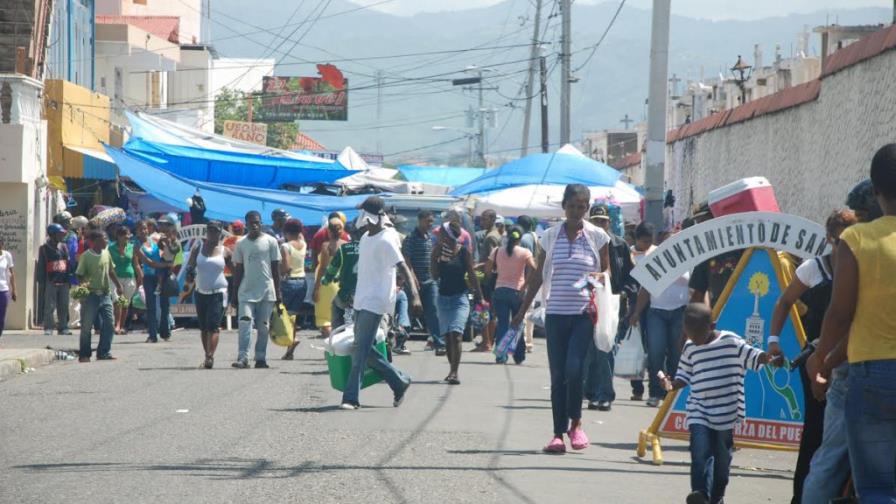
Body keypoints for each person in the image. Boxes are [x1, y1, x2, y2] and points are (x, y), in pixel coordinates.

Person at [812, 144, 896, 503]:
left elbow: (842, 312)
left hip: (872, 373)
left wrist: (821, 360)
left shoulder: (857, 240)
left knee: (876, 488)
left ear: (876, 190)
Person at [512, 184, 611, 453]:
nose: (577, 211)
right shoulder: (550, 236)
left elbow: (605, 272)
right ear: (564, 206)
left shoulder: (597, 236)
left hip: (583, 315)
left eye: (582, 207)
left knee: (574, 370)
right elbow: (538, 275)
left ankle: (576, 425)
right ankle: (557, 434)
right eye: (572, 206)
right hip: (555, 314)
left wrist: (591, 285)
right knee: (558, 376)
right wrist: (522, 311)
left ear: (587, 208)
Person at [765, 209, 856, 504]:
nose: (844, 246)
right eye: (839, 240)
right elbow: (784, 301)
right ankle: (801, 497)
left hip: (852, 359)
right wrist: (774, 340)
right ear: (830, 239)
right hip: (816, 359)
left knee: (849, 438)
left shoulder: (861, 267)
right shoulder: (814, 269)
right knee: (815, 433)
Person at [661, 303, 779, 504]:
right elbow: (684, 375)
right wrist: (671, 384)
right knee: (700, 453)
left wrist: (767, 357)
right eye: (690, 335)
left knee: (721, 464)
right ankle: (699, 493)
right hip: (699, 410)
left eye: (698, 335)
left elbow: (752, 355)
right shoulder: (690, 347)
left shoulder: (731, 342)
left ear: (712, 325)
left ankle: (716, 498)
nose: (695, 341)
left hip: (726, 413)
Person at [341, 196, 420, 410]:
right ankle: (399, 380)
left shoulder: (387, 239)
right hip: (361, 298)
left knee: (359, 351)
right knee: (363, 348)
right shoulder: (367, 237)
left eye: (363, 214)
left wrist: (414, 295)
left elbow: (402, 267)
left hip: (376, 300)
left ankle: (351, 397)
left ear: (371, 216)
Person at [629, 223, 690, 408]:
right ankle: (655, 392)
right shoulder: (655, 260)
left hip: (679, 312)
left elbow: (696, 289)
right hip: (657, 313)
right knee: (655, 354)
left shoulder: (688, 261)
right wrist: (636, 313)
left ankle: (671, 394)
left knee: (675, 355)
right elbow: (645, 289)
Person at [584, 204, 635, 411]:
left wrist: (623, 295)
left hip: (611, 305)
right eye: (595, 221)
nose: (599, 224)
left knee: (606, 350)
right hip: (587, 304)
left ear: (609, 222)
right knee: (590, 352)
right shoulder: (584, 243)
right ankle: (592, 392)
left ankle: (606, 394)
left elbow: (630, 277)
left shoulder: (620, 245)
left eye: (602, 221)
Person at [433, 221, 483, 384]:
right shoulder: (438, 251)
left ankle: (454, 372)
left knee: (456, 335)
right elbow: (434, 276)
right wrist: (435, 257)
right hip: (443, 299)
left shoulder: (463, 252)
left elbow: (472, 274)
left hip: (460, 298)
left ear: (448, 235)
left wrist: (479, 296)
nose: (438, 235)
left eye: (441, 233)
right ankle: (451, 369)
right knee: (448, 337)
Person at [231, 210, 282, 369]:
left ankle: (260, 357)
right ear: (246, 225)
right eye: (251, 222)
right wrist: (234, 294)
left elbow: (275, 269)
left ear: (261, 223)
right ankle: (243, 357)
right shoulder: (241, 244)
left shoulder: (271, 241)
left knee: (263, 326)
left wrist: (278, 292)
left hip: (266, 291)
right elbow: (238, 270)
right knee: (245, 323)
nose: (255, 225)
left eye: (257, 222)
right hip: (246, 291)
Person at [486, 225, 535, 365]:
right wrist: (525, 285)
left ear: (507, 237)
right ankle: (518, 355)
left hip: (500, 291)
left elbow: (488, 269)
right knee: (517, 323)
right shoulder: (525, 252)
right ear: (520, 238)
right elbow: (533, 267)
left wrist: (494, 276)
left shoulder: (497, 251)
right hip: (517, 292)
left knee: (503, 323)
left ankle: (501, 355)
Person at [185, 221, 229, 369]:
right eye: (210, 230)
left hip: (218, 293)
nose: (212, 233)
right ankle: (206, 354)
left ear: (220, 232)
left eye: (215, 231)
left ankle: (210, 356)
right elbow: (191, 265)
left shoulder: (225, 251)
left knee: (214, 326)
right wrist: (190, 275)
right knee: (203, 327)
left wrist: (235, 290)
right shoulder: (198, 247)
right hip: (200, 292)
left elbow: (236, 271)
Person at [75, 230, 123, 362]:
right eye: (104, 238)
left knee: (109, 323)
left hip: (105, 294)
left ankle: (104, 352)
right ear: (95, 241)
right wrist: (83, 285)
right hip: (90, 295)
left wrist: (118, 285)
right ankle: (84, 354)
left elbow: (111, 270)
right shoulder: (86, 256)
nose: (106, 241)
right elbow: (79, 273)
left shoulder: (106, 254)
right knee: (86, 326)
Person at [402, 210, 445, 355]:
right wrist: (412, 278)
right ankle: (400, 341)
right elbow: (406, 261)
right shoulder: (410, 238)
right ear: (420, 220)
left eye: (432, 221)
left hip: (430, 281)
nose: (431, 224)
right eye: (428, 221)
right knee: (408, 313)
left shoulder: (429, 237)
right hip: (414, 283)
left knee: (433, 310)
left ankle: (439, 343)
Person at [688, 204, 743, 308]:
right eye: (698, 223)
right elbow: (698, 294)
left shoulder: (742, 247)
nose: (701, 226)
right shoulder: (706, 254)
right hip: (719, 316)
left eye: (704, 220)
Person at [627, 223, 657, 402]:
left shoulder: (656, 252)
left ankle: (654, 388)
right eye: (644, 241)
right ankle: (637, 389)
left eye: (649, 241)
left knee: (653, 349)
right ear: (636, 239)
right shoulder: (629, 253)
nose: (647, 245)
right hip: (633, 305)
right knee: (636, 348)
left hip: (654, 304)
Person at [135, 219, 171, 343]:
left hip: (161, 275)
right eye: (141, 229)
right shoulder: (136, 245)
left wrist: (166, 244)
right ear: (137, 232)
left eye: (145, 228)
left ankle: (165, 332)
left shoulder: (154, 240)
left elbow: (164, 253)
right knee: (151, 307)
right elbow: (147, 262)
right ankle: (152, 334)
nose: (144, 231)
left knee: (164, 304)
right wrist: (165, 265)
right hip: (149, 277)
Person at [313, 218, 346, 339]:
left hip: (327, 283)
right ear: (342, 231)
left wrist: (316, 288)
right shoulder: (346, 245)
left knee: (325, 320)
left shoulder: (326, 246)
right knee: (338, 317)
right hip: (341, 283)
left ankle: (332, 344)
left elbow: (323, 268)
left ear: (328, 231)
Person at [474, 209, 502, 352]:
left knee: (485, 310)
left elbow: (493, 260)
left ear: (492, 220)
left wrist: (477, 266)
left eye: (484, 219)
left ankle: (487, 342)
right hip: (490, 279)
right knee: (488, 310)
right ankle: (487, 341)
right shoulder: (492, 234)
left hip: (488, 280)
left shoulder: (491, 237)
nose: (481, 222)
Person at [280, 218, 307, 360]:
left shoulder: (286, 246)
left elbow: (286, 267)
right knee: (293, 314)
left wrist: (278, 271)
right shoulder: (303, 244)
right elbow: (300, 235)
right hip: (302, 282)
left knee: (285, 315)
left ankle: (291, 340)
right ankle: (290, 348)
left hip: (289, 282)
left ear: (286, 232)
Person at [322, 226, 360, 330]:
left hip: (346, 293)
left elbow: (332, 269)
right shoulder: (371, 247)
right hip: (366, 295)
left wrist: (326, 280)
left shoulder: (344, 249)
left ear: (351, 234)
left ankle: (337, 334)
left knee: (336, 306)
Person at [38, 224, 72, 336]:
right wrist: (41, 282)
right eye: (59, 234)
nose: (62, 236)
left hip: (64, 280)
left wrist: (69, 279)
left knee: (63, 305)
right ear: (52, 235)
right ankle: (48, 327)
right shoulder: (44, 249)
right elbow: (42, 266)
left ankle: (63, 327)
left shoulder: (64, 247)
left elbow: (68, 263)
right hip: (50, 280)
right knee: (49, 306)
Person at [108, 226, 141, 335]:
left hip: (129, 277)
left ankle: (122, 326)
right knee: (117, 301)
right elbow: (108, 264)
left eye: (128, 235)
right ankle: (116, 325)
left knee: (125, 303)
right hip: (115, 277)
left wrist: (140, 276)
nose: (126, 238)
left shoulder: (132, 247)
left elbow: (135, 263)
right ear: (118, 236)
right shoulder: (111, 248)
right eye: (124, 235)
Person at [517, 215, 541, 353]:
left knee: (523, 312)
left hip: (524, 279)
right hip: (531, 279)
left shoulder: (524, 239)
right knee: (529, 313)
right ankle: (528, 342)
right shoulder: (533, 237)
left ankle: (524, 342)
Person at [0, 237, 17, 340]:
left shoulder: (7, 255)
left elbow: (12, 273)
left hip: (3, 289)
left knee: (1, 317)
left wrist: (14, 289)